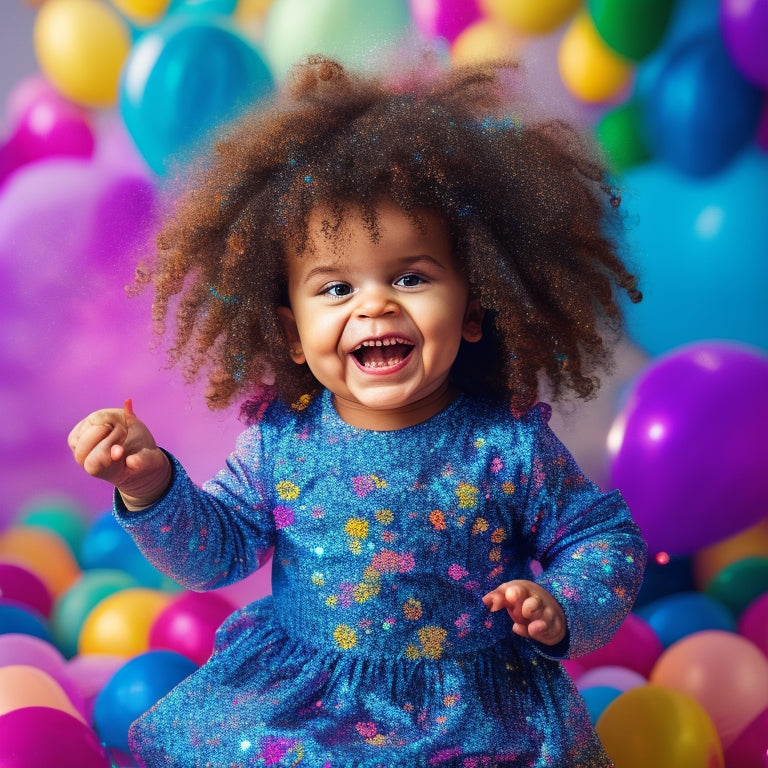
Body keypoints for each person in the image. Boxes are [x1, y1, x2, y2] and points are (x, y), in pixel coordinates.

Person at [68, 56, 647, 768]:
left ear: (472, 309)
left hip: (468, 712)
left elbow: (602, 539)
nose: (375, 304)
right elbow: (216, 551)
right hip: (310, 700)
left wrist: (561, 603)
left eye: (410, 277)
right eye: (336, 287)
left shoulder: (506, 443)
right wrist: (150, 483)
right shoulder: (284, 441)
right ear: (291, 335)